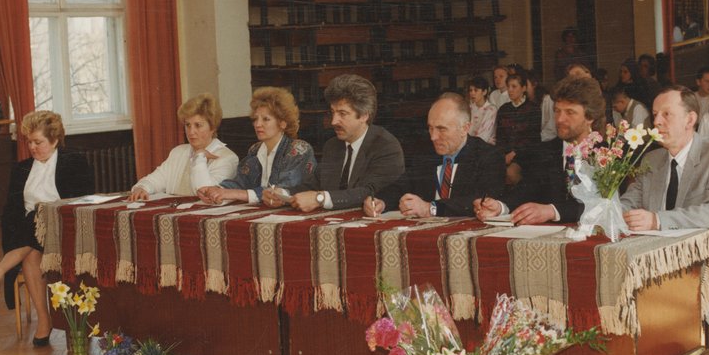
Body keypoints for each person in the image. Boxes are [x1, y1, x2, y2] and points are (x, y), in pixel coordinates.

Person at [621, 86, 709, 327]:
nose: (657, 121)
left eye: (666, 114)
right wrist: (611, 210)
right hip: (658, 277)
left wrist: (657, 220)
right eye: (655, 114)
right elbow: (629, 201)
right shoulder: (651, 159)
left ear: (690, 119)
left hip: (708, 275)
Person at [0, 110, 94, 346]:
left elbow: (82, 202)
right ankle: (44, 320)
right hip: (29, 235)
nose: (32, 147)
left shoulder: (74, 161)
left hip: (65, 230)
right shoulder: (21, 168)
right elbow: (11, 211)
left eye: (37, 142)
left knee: (39, 216)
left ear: (55, 140)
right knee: (31, 252)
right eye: (29, 142)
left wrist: (47, 214)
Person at [475, 75, 605, 225]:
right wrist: (500, 207)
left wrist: (552, 211)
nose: (560, 119)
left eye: (570, 112)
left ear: (590, 117)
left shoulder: (608, 154)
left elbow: (602, 205)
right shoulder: (546, 151)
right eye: (557, 111)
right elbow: (527, 189)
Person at [267, 73, 404, 211]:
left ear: (364, 116)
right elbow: (314, 185)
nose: (333, 121)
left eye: (342, 114)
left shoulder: (385, 146)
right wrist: (283, 194)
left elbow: (367, 192)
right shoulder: (333, 145)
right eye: (332, 112)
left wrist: (319, 199)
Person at [364, 93, 504, 218]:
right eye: (430, 128)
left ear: (465, 128)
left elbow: (481, 200)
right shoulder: (426, 152)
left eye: (441, 129)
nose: (433, 137)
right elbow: (402, 186)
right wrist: (381, 201)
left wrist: (430, 209)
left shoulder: (488, 156)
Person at [197, 87, 317, 205]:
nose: (257, 124)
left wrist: (237, 194)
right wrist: (216, 190)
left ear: (282, 123)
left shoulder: (299, 150)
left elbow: (282, 192)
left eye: (266, 119)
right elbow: (241, 182)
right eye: (255, 119)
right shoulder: (255, 150)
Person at [128, 93, 239, 201]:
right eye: (188, 125)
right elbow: (155, 179)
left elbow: (207, 193)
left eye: (198, 125)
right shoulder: (178, 152)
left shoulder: (227, 158)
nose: (191, 132)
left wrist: (199, 157)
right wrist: (141, 188)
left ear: (213, 128)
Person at [495, 70, 541, 184]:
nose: (510, 90)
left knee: (510, 173)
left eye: (514, 86)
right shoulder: (503, 109)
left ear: (523, 88)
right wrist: (502, 155)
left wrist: (514, 153)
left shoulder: (533, 109)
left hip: (526, 154)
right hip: (505, 154)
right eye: (508, 86)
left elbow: (532, 137)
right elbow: (499, 136)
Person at [526, 71, 557, 141]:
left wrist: (535, 139)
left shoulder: (547, 100)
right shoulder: (527, 103)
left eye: (526, 85)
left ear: (534, 84)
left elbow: (552, 129)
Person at [467, 75, 497, 144]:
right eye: (471, 90)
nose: (472, 93)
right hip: (470, 143)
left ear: (484, 92)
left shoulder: (491, 109)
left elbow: (484, 136)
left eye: (476, 90)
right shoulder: (469, 107)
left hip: (484, 145)